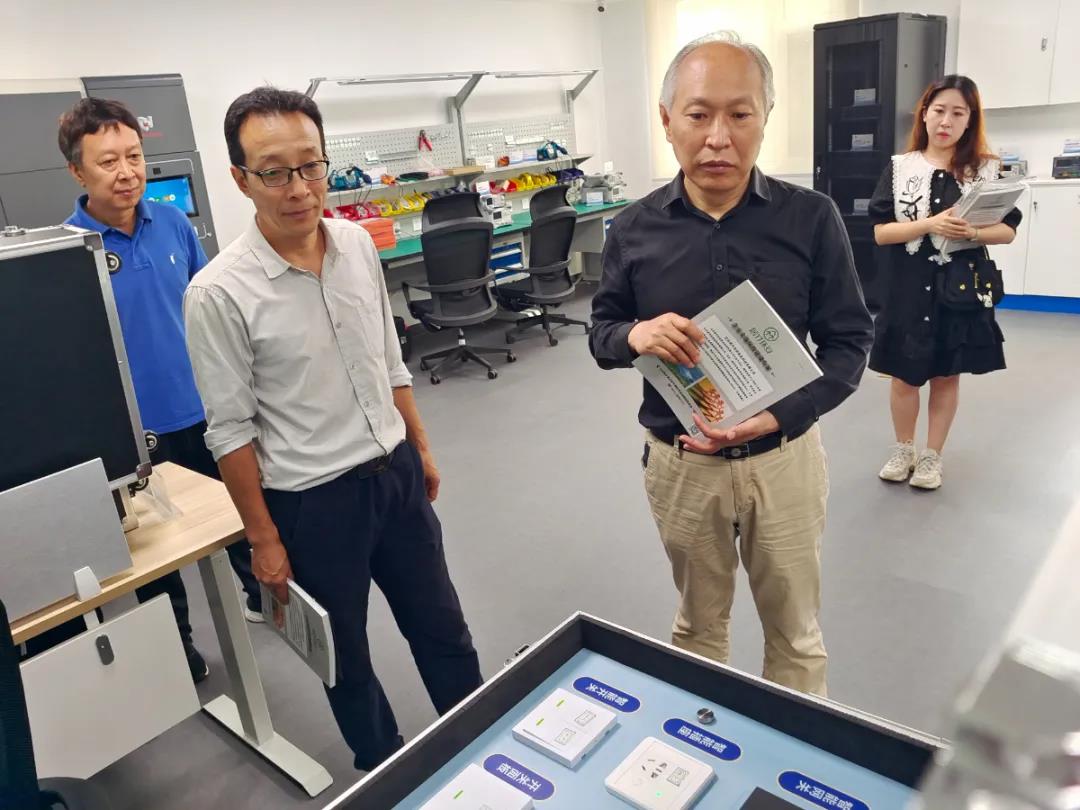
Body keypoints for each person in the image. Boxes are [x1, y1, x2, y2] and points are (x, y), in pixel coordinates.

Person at [183, 86, 482, 770]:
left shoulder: (354, 244)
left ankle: (478, 742)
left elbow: (388, 360)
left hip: (395, 477)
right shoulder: (218, 293)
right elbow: (229, 432)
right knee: (345, 660)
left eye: (311, 165)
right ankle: (385, 770)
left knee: (443, 627)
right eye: (274, 172)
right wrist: (263, 540)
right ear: (240, 180)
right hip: (312, 505)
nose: (298, 188)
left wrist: (419, 447)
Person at [588, 31, 873, 697]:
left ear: (765, 117)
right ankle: (698, 743)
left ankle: (793, 749)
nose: (719, 138)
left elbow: (849, 343)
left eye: (740, 114)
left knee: (796, 634)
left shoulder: (811, 218)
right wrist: (634, 335)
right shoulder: (632, 229)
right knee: (697, 629)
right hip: (682, 466)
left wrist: (779, 415)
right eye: (698, 114)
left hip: (785, 462)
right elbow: (601, 333)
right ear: (667, 120)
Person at [50, 98, 262, 682]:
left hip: (206, 408)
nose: (126, 172)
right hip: (134, 432)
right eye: (107, 162)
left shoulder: (172, 223)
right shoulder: (68, 251)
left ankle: (262, 595)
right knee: (157, 554)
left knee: (242, 513)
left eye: (134, 157)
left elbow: (209, 305)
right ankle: (178, 644)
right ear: (77, 172)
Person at [870, 75, 1020, 491]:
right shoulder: (901, 167)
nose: (946, 121)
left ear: (970, 120)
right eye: (939, 110)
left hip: (958, 289)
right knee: (903, 375)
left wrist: (973, 232)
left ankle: (931, 456)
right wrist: (929, 225)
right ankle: (904, 449)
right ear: (924, 114)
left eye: (958, 113)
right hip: (906, 287)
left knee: (946, 374)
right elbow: (881, 232)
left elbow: (1008, 230)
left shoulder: (985, 171)